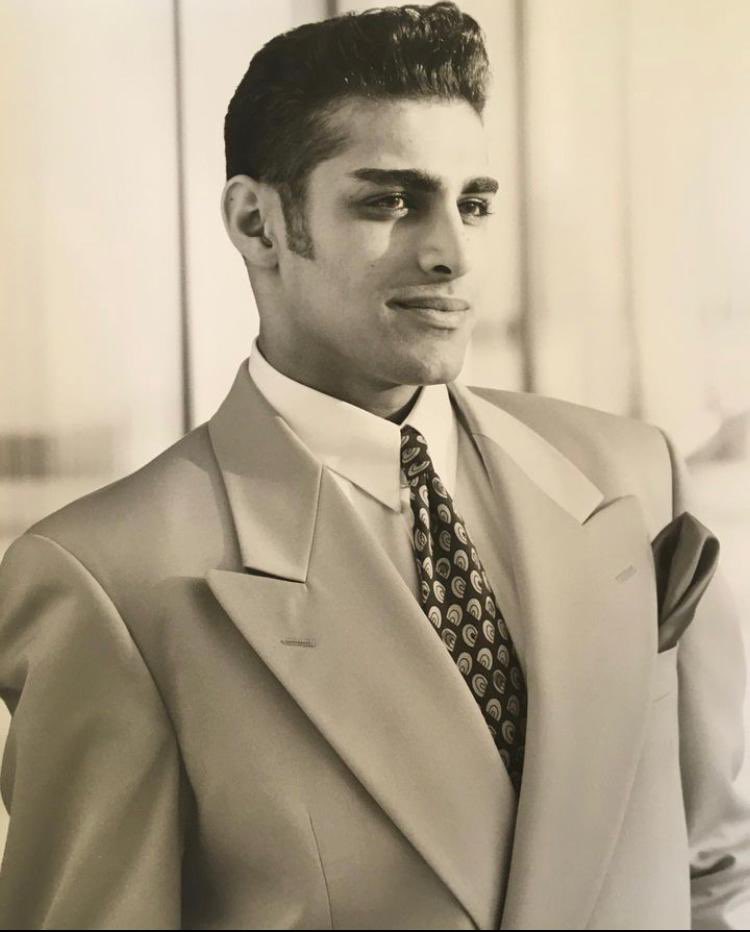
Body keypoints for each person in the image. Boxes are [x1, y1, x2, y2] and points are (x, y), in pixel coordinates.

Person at [0, 2, 748, 928]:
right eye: (390, 202)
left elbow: (714, 869)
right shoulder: (108, 580)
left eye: (473, 203)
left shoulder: (629, 473)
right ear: (257, 223)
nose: (451, 254)